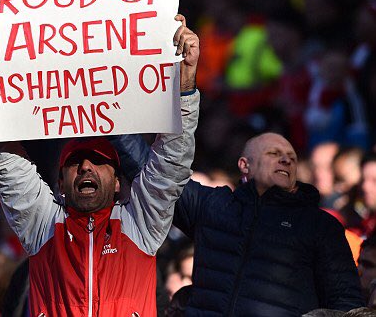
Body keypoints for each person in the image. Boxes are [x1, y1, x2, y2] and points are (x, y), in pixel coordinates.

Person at [0, 14, 200, 316]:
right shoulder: (43, 226)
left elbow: (171, 162)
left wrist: (185, 85)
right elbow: (6, 165)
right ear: (60, 183)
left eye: (99, 161)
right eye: (74, 162)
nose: (86, 166)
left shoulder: (140, 225)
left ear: (118, 182)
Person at [113, 133, 364, 315]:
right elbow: (155, 177)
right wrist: (112, 120)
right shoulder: (213, 207)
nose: (286, 160)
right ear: (245, 165)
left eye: (291, 157)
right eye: (274, 154)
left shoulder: (320, 226)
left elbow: (346, 304)